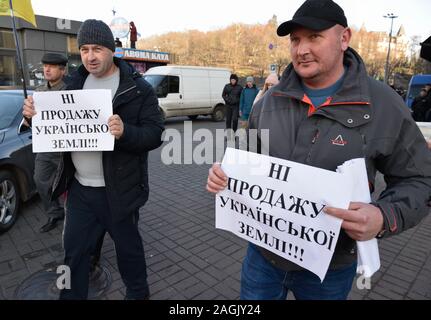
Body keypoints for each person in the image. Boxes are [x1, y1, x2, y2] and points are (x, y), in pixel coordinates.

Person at [206, 0, 431, 300]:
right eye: (296, 39)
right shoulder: (269, 101)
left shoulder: (384, 104)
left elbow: (420, 180)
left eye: (314, 37)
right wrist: (224, 174)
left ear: (344, 38)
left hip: (329, 270)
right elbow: (247, 157)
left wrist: (383, 216)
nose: (301, 50)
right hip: (263, 258)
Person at [23, 19, 164, 300]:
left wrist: (126, 132)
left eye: (97, 48)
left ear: (111, 50)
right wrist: (31, 118)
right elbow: (52, 128)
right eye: (84, 49)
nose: (90, 56)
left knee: (129, 254)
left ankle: (138, 294)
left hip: (120, 192)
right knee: (73, 256)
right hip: (79, 191)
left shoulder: (138, 89)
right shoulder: (73, 84)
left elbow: (155, 134)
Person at [33, 53, 68, 233]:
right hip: (46, 147)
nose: (46, 69)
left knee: (72, 185)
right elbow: (33, 120)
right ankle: (54, 213)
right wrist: (28, 115)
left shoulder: (72, 90)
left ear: (62, 70)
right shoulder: (39, 92)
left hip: (67, 148)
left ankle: (74, 216)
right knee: (40, 180)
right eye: (45, 65)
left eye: (52, 66)